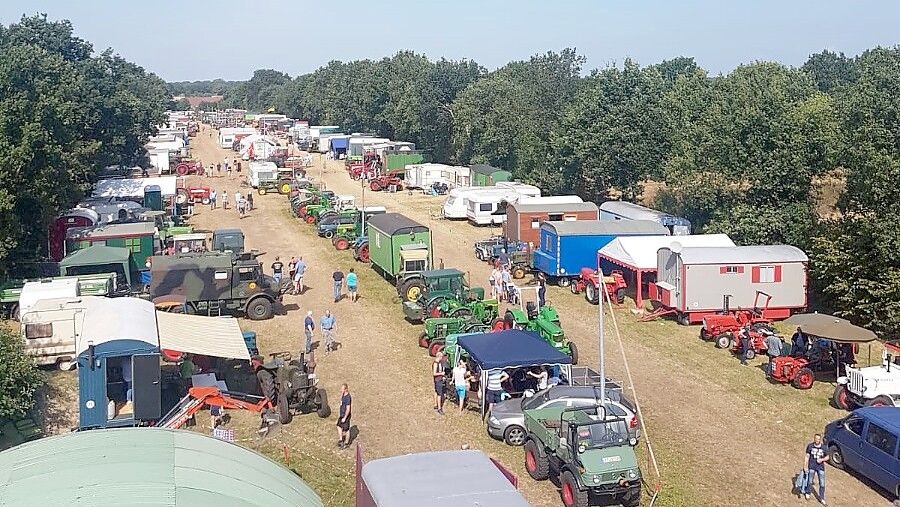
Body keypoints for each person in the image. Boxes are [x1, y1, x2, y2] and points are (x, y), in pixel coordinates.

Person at [803, 434, 828, 504]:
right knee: (810, 481)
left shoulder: (824, 447)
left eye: (818, 439)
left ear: (820, 439)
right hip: (812, 466)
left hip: (820, 467)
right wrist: (805, 466)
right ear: (814, 439)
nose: (817, 440)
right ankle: (808, 493)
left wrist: (822, 459)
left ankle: (822, 498)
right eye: (816, 439)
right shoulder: (810, 446)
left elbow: (828, 457)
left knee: (822, 483)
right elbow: (807, 456)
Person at [336, 384, 352, 449]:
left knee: (346, 430)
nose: (341, 390)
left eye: (342, 389)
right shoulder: (343, 395)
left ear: (346, 389)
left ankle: (347, 443)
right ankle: (341, 440)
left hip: (346, 415)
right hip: (341, 414)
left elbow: (348, 409)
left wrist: (345, 417)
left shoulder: (348, 397)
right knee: (338, 426)